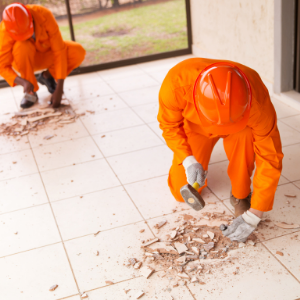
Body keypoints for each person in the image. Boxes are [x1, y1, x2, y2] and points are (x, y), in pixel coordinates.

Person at [158, 58, 283, 242]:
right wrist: (188, 160)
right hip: (197, 127)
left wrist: (256, 213)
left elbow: (270, 155)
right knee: (180, 191)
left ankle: (240, 195)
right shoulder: (176, 83)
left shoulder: (257, 101)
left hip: (239, 129)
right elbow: (169, 125)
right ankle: (195, 163)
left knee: (246, 137)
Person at [0, 3, 86, 108]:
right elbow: (2, 65)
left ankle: (47, 76)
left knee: (77, 51)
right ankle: (31, 92)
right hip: (24, 60)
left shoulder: (44, 14)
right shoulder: (5, 29)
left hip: (46, 54)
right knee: (21, 46)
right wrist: (22, 82)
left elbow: (59, 50)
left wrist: (59, 88)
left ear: (30, 17)